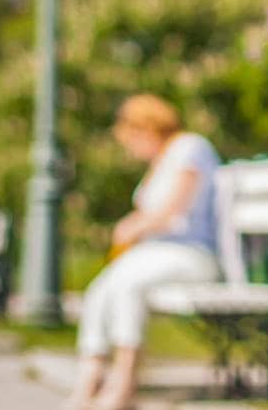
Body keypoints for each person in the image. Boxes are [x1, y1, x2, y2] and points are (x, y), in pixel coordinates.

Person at [68, 94, 219, 410]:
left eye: (132, 140)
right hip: (159, 255)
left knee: (126, 283)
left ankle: (124, 383)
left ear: (146, 127)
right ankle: (90, 376)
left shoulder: (189, 147)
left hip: (191, 254)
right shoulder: (162, 160)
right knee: (100, 287)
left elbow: (173, 209)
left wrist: (133, 227)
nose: (131, 149)